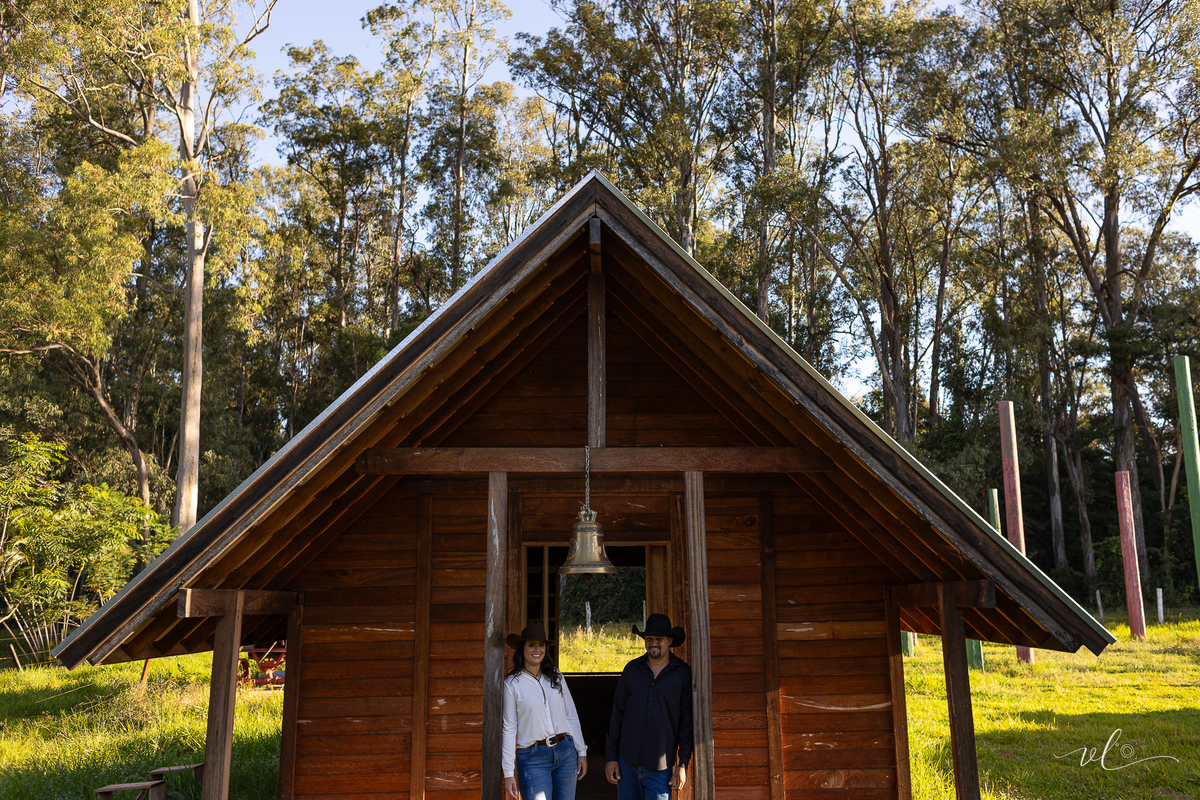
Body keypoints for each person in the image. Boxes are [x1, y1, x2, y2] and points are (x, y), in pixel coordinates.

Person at [604, 614, 693, 800]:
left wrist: (683, 763)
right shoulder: (631, 670)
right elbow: (617, 714)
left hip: (661, 768)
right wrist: (612, 757)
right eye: (649, 639)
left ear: (669, 641)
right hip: (627, 763)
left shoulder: (682, 673)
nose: (653, 643)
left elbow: (686, 721)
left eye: (659, 639)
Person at [503, 621, 588, 800]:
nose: (537, 649)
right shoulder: (512, 685)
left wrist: (581, 751)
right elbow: (509, 729)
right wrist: (508, 772)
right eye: (532, 644)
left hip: (565, 752)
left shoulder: (556, 677)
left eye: (541, 645)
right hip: (532, 758)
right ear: (522, 648)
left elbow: (570, 714)